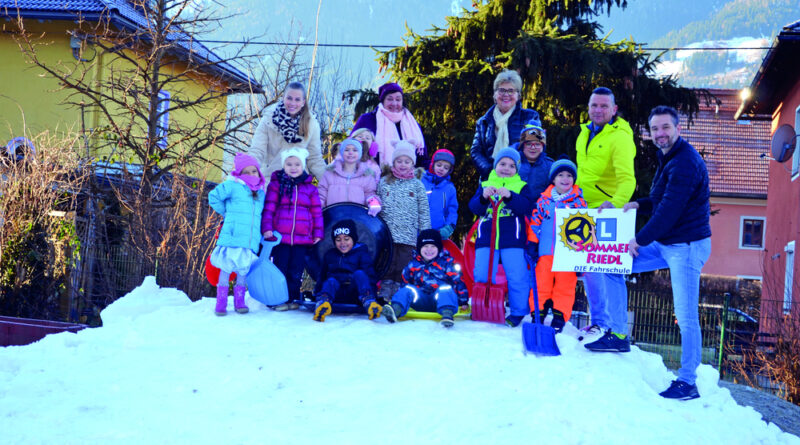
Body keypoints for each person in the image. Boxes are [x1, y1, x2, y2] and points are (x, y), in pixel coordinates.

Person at [585, 106, 711, 401]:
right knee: (613, 266)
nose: (660, 134)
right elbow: (658, 198)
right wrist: (637, 204)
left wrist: (639, 240)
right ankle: (618, 336)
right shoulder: (666, 156)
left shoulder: (685, 163)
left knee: (685, 315)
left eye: (665, 127)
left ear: (678, 128)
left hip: (687, 247)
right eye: (655, 129)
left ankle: (688, 381)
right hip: (668, 243)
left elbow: (669, 211)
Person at [574, 87, 637, 339]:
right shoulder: (584, 133)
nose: (598, 110)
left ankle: (613, 327)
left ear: (614, 110)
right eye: (594, 106)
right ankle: (598, 321)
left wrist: (616, 203)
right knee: (590, 269)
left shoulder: (619, 137)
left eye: (603, 106)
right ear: (588, 108)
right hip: (583, 210)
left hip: (607, 212)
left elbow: (627, 178)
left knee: (609, 268)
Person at [469, 146, 533, 327]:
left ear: (517, 170)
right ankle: (482, 305)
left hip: (512, 239)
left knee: (517, 275)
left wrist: (511, 196)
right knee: (481, 272)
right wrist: (482, 198)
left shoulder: (521, 186)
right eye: (502, 163)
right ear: (495, 165)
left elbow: (526, 207)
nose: (506, 168)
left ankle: (518, 311)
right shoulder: (484, 184)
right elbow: (474, 208)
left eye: (512, 166)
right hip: (486, 238)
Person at [528, 156, 587, 332]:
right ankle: (537, 313)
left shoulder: (579, 202)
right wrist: (532, 243)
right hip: (545, 252)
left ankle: (559, 318)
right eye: (560, 175)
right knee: (541, 283)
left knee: (565, 287)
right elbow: (535, 223)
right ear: (553, 179)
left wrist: (580, 258)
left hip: (567, 255)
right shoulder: (544, 201)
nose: (565, 179)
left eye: (569, 175)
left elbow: (584, 231)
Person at [261, 148, 324, 310]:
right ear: (284, 166)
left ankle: (292, 298)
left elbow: (316, 212)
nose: (293, 167)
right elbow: (269, 208)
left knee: (296, 270)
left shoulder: (310, 189)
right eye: (289, 164)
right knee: (280, 268)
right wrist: (267, 228)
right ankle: (278, 299)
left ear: (303, 166)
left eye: (297, 164)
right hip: (280, 238)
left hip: (302, 238)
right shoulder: (276, 185)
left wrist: (318, 232)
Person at [207, 153, 266, 316]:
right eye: (247, 172)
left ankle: (239, 301)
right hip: (232, 237)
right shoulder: (233, 186)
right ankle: (221, 303)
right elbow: (213, 197)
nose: (252, 175)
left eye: (254, 171)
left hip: (248, 240)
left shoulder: (260, 193)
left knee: (242, 272)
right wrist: (227, 212)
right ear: (239, 174)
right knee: (226, 270)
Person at [377, 140, 431, 301]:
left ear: (412, 164)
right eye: (399, 161)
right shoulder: (384, 182)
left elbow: (423, 210)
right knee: (388, 264)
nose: (403, 165)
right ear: (393, 162)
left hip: (408, 235)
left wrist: (425, 232)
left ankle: (399, 294)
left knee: (403, 264)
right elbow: (377, 203)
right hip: (387, 234)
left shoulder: (417, 185)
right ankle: (385, 291)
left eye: (407, 162)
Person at [383, 229, 469, 328]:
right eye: (425, 246)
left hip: (440, 300)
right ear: (420, 248)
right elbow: (404, 282)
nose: (429, 250)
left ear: (439, 248)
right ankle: (396, 309)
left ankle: (447, 313)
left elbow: (458, 282)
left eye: (433, 246)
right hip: (419, 300)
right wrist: (400, 298)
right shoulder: (413, 264)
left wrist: (463, 302)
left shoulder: (447, 263)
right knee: (407, 288)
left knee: (446, 288)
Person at [246, 82, 326, 180]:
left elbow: (315, 159)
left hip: (298, 185)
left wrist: (330, 183)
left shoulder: (311, 124)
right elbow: (257, 150)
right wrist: (245, 172)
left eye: (297, 99)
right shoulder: (268, 120)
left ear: (303, 102)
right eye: (289, 98)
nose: (292, 103)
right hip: (271, 182)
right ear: (283, 98)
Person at [470, 70, 541, 181]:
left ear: (518, 95)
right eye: (502, 90)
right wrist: (491, 172)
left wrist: (513, 172)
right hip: (490, 180)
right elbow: (476, 152)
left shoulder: (530, 117)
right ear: (495, 94)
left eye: (511, 91)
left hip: (520, 181)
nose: (506, 95)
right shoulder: (483, 122)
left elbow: (535, 149)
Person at [313, 219, 381, 322]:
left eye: (346, 239)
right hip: (336, 294)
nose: (342, 243)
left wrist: (373, 294)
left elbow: (370, 275)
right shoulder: (330, 255)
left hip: (356, 294)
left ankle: (369, 302)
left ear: (353, 239)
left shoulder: (361, 254)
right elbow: (322, 276)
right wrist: (317, 293)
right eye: (338, 240)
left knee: (360, 274)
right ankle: (323, 303)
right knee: (331, 280)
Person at [352, 82, 426, 167]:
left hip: (409, 177)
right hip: (373, 176)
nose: (394, 103)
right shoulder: (367, 119)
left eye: (398, 99)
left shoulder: (412, 125)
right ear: (383, 101)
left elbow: (423, 158)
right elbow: (350, 146)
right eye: (390, 99)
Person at [318, 138, 381, 215]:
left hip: (357, 217)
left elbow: (370, 193)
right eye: (347, 150)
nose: (350, 153)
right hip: (333, 216)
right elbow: (321, 194)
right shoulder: (329, 173)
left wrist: (373, 202)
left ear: (360, 154)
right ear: (341, 152)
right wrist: (318, 206)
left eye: (355, 150)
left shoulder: (366, 176)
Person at [421, 149, 458, 239]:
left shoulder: (450, 188)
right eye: (439, 165)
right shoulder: (420, 181)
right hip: (417, 231)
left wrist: (448, 228)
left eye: (446, 168)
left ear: (449, 170)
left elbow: (452, 210)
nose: (441, 169)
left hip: (437, 233)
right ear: (432, 164)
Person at [516, 121, 553, 202]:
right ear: (523, 146)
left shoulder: (550, 166)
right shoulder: (514, 163)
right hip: (516, 209)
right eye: (529, 144)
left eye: (537, 144)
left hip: (541, 210)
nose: (533, 148)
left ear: (543, 146)